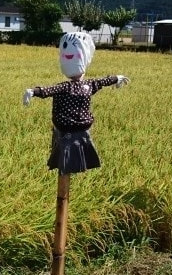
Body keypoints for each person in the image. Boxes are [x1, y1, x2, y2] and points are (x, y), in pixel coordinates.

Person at [23, 31, 129, 174]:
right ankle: (64, 181)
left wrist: (116, 78)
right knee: (65, 164)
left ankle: (66, 179)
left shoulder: (87, 85)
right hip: (67, 132)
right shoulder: (67, 87)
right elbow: (48, 90)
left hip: (80, 132)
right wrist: (33, 92)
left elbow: (102, 81)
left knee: (71, 163)